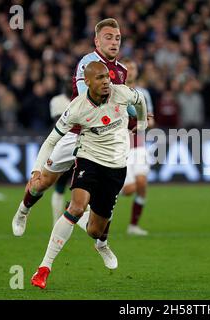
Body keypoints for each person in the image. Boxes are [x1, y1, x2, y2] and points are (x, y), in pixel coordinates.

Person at [12, 18, 128, 270]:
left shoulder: (121, 71)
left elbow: (121, 103)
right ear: (97, 40)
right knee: (43, 182)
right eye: (108, 37)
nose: (114, 42)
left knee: (105, 196)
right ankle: (23, 210)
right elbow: (90, 97)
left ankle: (100, 242)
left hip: (102, 140)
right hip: (76, 133)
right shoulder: (87, 64)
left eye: (117, 38)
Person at [30, 61, 147, 289]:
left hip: (115, 167)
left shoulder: (120, 92)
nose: (106, 82)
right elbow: (51, 140)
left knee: (95, 230)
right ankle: (44, 268)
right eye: (101, 78)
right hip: (88, 159)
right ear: (88, 83)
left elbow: (140, 100)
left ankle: (102, 244)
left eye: (107, 77)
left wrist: (141, 124)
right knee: (76, 208)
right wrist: (37, 168)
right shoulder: (76, 108)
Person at [120, 58, 155, 236]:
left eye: (133, 67)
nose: (131, 71)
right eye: (127, 68)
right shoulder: (116, 90)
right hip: (121, 147)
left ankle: (133, 226)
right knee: (127, 190)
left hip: (139, 146)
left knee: (142, 184)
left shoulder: (143, 93)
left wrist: (143, 123)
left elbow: (151, 119)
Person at [48, 77, 73, 226]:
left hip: (81, 148)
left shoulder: (83, 98)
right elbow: (59, 122)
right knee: (59, 187)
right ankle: (56, 222)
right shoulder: (57, 101)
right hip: (63, 147)